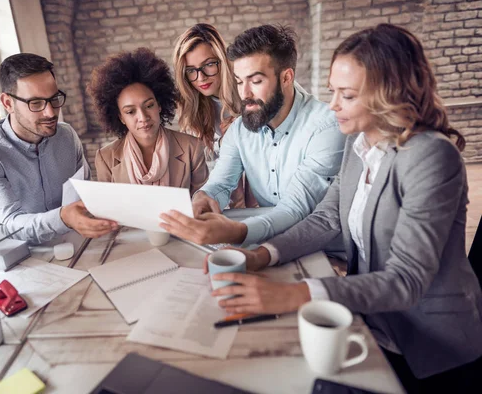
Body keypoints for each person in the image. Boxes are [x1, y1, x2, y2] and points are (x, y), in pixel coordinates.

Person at [201, 24, 482, 392]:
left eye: (347, 95)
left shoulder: (431, 157)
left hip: (428, 347)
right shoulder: (359, 143)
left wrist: (295, 294)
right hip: (371, 320)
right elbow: (326, 218)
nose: (332, 105)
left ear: (388, 94)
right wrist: (262, 256)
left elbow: (406, 280)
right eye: (333, 92)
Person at [161, 25, 345, 246]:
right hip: (272, 241)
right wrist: (205, 197)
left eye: (256, 81)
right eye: (239, 82)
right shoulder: (240, 130)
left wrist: (237, 232)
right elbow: (220, 183)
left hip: (325, 249)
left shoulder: (326, 126)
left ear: (286, 78)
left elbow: (295, 208)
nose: (244, 94)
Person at [0, 53, 117, 244]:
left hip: (69, 244)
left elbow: (82, 196)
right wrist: (62, 218)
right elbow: (10, 225)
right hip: (16, 258)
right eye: (35, 103)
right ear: (8, 103)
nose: (50, 112)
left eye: (54, 99)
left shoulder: (67, 137)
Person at [89, 47, 208, 194]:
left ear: (159, 105)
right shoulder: (106, 158)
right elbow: (107, 211)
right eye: (130, 111)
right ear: (120, 117)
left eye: (149, 105)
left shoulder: (192, 147)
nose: (143, 117)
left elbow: (204, 203)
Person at [173, 23, 255, 208]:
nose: (200, 78)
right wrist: (222, 144)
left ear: (223, 60)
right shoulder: (191, 105)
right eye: (191, 70)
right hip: (224, 196)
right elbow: (204, 162)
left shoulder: (247, 89)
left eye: (209, 65)